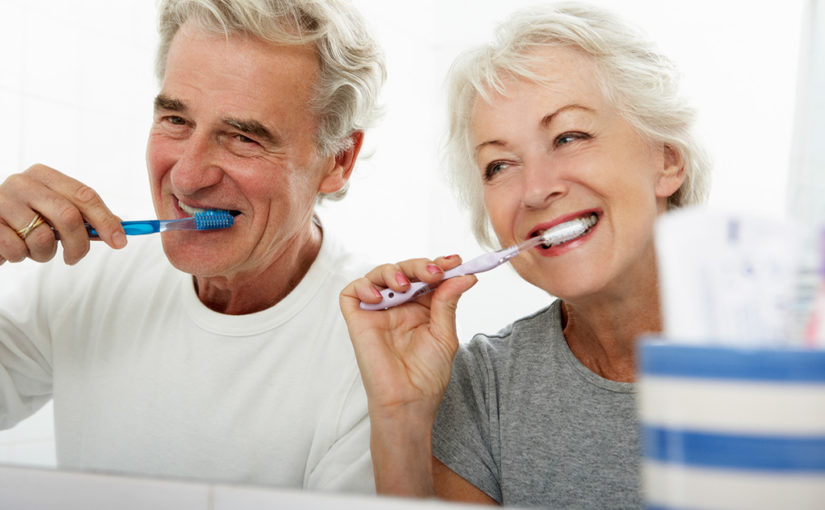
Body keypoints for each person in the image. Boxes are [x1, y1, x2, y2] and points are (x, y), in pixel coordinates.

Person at [0, 0, 384, 493]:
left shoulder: (375, 349)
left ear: (339, 159)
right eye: (176, 121)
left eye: (243, 136)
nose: (186, 176)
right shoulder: (90, 276)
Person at [340, 2, 710, 507]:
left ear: (667, 160)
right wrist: (400, 414)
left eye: (569, 136)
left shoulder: (795, 346)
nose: (535, 190)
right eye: (499, 165)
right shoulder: (481, 385)